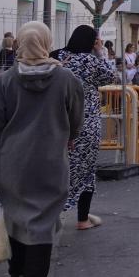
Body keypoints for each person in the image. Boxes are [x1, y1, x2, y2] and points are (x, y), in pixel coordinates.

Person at [0, 22, 84, 277]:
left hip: (11, 162)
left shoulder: (4, 81)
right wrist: (69, 137)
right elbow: (76, 117)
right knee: (43, 221)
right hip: (50, 161)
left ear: (20, 44)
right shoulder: (66, 79)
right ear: (47, 42)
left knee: (15, 217)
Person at [51, 24, 118, 231]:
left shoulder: (56, 56)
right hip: (85, 124)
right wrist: (100, 52)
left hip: (56, 122)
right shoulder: (90, 61)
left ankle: (52, 213)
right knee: (85, 172)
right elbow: (111, 76)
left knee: (57, 171)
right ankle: (81, 219)